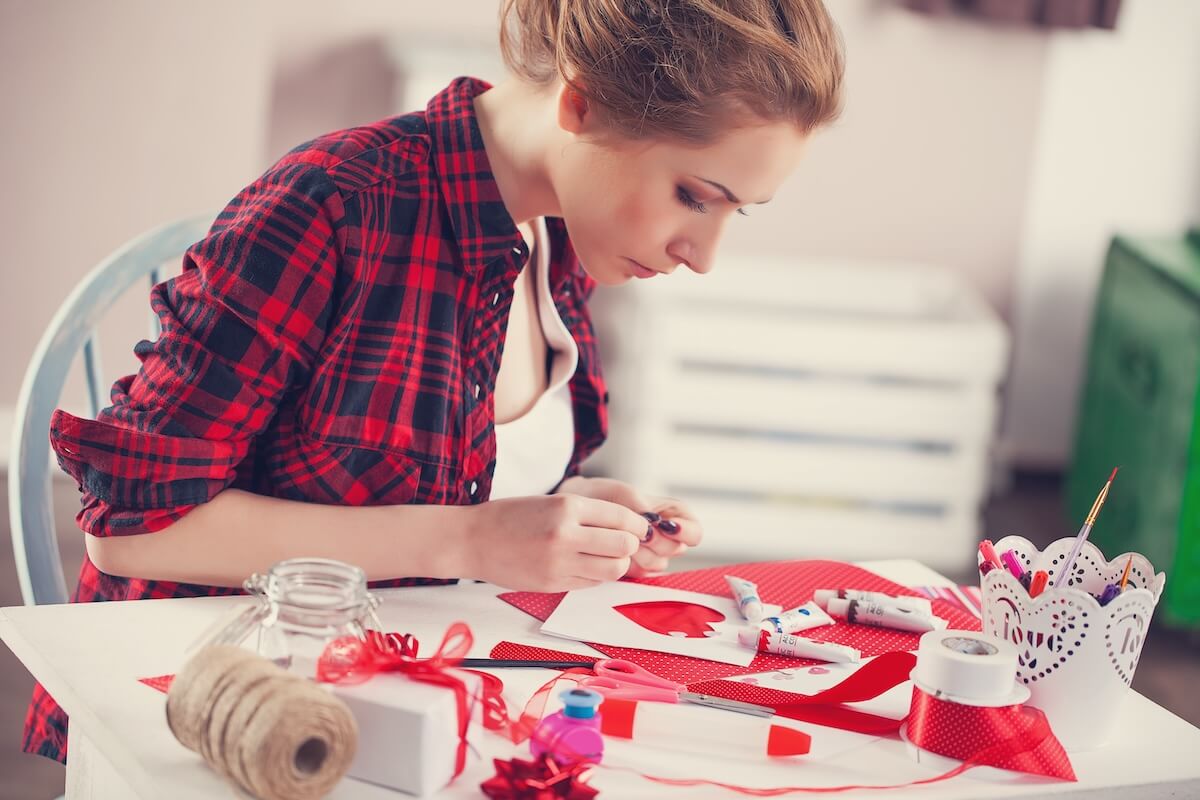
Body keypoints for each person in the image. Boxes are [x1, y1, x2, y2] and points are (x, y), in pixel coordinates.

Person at [25, 0, 844, 764]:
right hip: (212, 717)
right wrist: (472, 538)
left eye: (740, 211)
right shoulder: (334, 204)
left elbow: (451, 469)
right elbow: (132, 529)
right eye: (695, 197)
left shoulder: (562, 232)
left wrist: (574, 518)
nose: (703, 255)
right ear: (581, 106)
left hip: (403, 704)